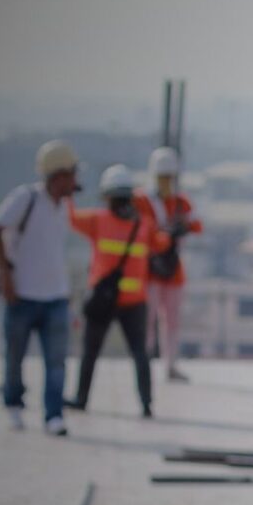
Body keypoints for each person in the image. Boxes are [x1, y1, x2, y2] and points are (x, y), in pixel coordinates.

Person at [0, 139, 81, 434]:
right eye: (72, 174)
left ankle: (54, 415)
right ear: (60, 175)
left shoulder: (64, 207)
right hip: (22, 296)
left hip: (56, 297)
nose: (75, 181)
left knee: (56, 362)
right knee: (15, 357)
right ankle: (14, 404)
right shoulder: (25, 198)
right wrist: (5, 275)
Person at [66, 165, 168, 419]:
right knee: (139, 353)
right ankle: (146, 404)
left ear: (107, 196)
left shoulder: (98, 220)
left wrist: (69, 193)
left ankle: (81, 399)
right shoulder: (143, 225)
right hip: (135, 301)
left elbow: (71, 218)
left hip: (103, 299)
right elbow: (162, 242)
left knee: (90, 353)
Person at [141, 145, 202, 385]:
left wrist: (182, 226)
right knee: (148, 320)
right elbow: (141, 229)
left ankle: (171, 365)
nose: (166, 182)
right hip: (150, 271)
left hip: (173, 270)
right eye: (162, 177)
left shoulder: (180, 202)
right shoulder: (144, 201)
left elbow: (197, 225)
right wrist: (162, 234)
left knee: (173, 320)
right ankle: (144, 362)